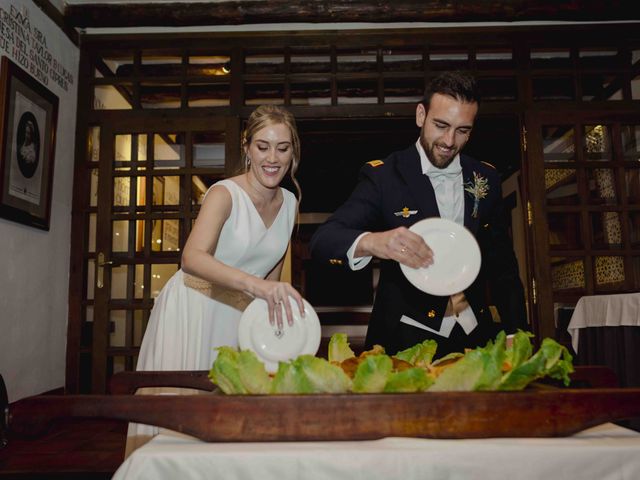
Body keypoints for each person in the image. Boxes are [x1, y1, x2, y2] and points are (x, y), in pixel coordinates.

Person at [310, 71, 527, 358]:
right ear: (420, 115)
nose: (449, 141)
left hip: (475, 338)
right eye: (441, 125)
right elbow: (324, 240)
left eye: (463, 130)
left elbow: (503, 266)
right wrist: (374, 242)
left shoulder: (485, 176)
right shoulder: (385, 176)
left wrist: (516, 332)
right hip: (404, 337)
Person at [127, 104, 304, 454]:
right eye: (262, 146)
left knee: (230, 421)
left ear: (293, 152)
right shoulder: (224, 193)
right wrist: (256, 286)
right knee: (180, 419)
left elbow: (269, 273)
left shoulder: (290, 202)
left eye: (282, 148)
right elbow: (192, 258)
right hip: (194, 307)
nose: (272, 158)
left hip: (238, 315)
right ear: (247, 147)